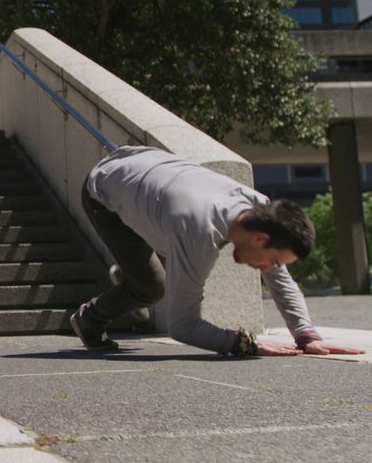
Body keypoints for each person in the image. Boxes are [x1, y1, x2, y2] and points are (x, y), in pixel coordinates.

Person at [70, 145, 364, 357]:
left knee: (170, 258)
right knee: (152, 288)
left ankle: (137, 268)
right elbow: (183, 327)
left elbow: (281, 280)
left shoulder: (258, 206)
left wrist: (305, 334)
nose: (266, 270)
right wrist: (243, 344)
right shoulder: (198, 232)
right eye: (271, 261)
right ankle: (89, 318)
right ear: (260, 238)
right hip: (103, 189)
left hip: (144, 168)